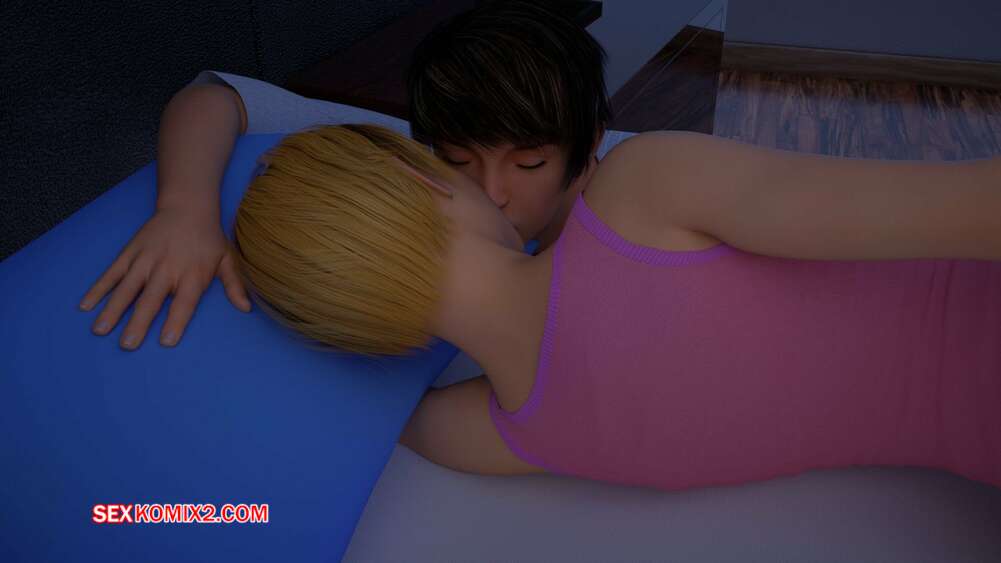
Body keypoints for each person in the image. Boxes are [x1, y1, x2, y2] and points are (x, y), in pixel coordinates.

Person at [232, 122, 1001, 492]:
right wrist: (191, 202)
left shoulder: (493, 435)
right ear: (422, 180)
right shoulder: (641, 191)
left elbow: (350, 407)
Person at [77, 0, 633, 351]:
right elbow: (215, 98)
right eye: (459, 161)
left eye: (529, 164)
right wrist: (185, 211)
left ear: (589, 146)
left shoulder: (637, 207)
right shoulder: (413, 157)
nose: (491, 193)